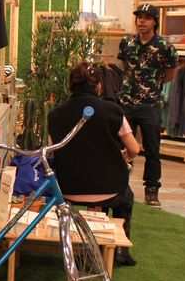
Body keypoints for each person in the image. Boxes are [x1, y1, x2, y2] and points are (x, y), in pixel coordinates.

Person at [48, 63, 139, 266]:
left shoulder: (55, 115)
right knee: (125, 199)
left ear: (70, 85)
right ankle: (120, 251)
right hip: (109, 189)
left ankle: (89, 247)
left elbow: (52, 150)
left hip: (68, 188)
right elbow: (134, 149)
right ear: (98, 85)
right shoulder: (113, 111)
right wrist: (122, 157)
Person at [117, 4, 178, 207]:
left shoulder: (165, 47)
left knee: (152, 149)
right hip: (126, 102)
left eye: (146, 18)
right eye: (139, 17)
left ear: (155, 22)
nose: (141, 21)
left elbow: (170, 74)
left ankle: (152, 190)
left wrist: (152, 87)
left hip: (150, 103)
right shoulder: (127, 43)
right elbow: (123, 67)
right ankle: (119, 185)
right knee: (123, 147)